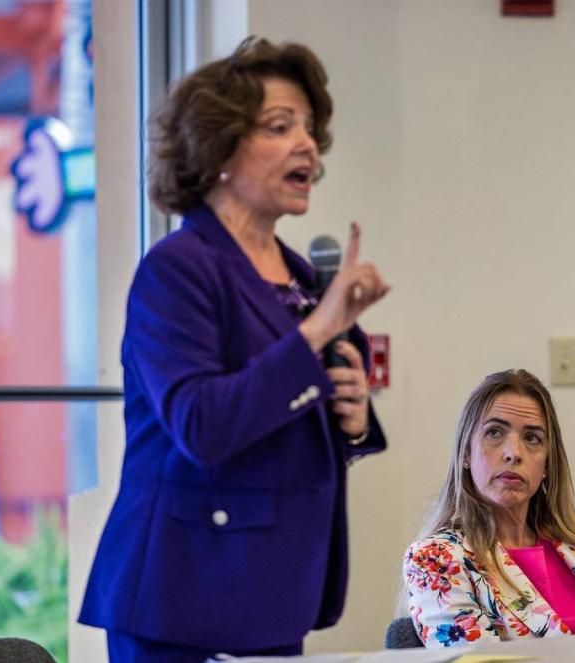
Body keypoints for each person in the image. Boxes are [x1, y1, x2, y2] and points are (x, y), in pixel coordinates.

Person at [79, 37, 389, 661]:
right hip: (185, 594)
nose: (307, 144)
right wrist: (315, 336)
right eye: (281, 126)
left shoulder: (303, 278)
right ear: (217, 148)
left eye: (309, 127)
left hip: (273, 591)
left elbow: (293, 414)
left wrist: (351, 421)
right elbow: (203, 425)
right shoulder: (177, 271)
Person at [403, 369, 575, 647]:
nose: (514, 452)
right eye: (494, 433)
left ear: (548, 464)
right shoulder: (437, 559)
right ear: (465, 453)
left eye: (532, 438)